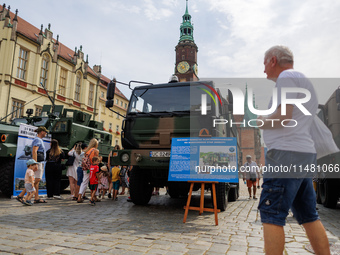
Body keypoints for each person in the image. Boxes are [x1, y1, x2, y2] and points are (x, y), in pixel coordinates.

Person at [257, 45, 330, 254]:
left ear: (273, 60)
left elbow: (284, 117)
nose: (263, 70)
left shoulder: (286, 77)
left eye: (264, 64)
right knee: (308, 215)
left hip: (285, 155)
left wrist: (262, 121)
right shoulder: (301, 79)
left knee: (271, 213)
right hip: (302, 154)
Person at [16, 126, 49, 204]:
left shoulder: (39, 139)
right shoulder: (37, 140)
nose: (46, 133)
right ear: (42, 132)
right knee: (37, 180)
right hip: (39, 162)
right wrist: (35, 164)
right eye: (45, 132)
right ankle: (21, 195)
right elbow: (34, 151)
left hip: (39, 162)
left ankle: (36, 198)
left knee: (36, 180)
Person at [77, 138, 99, 203]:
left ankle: (79, 196)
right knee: (94, 182)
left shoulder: (86, 151)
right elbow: (95, 160)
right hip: (93, 168)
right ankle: (94, 197)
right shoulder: (95, 151)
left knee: (84, 182)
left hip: (86, 168)